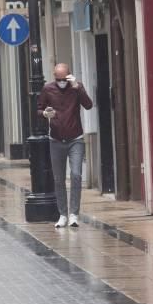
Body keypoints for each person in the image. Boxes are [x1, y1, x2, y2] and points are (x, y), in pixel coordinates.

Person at [37, 63, 93, 228]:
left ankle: (74, 214)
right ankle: (62, 214)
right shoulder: (48, 89)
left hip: (75, 139)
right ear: (54, 77)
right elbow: (38, 110)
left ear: (70, 76)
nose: (61, 82)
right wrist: (45, 114)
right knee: (58, 179)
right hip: (55, 140)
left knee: (76, 175)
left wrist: (78, 87)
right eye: (58, 79)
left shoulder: (76, 87)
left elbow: (88, 105)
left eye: (64, 79)